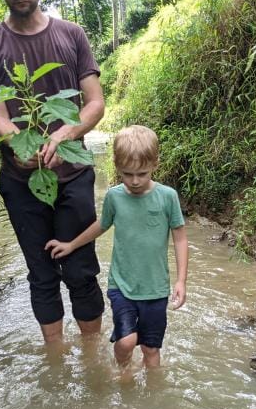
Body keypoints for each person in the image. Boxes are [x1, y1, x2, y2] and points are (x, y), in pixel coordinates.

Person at [0, 0, 106, 344]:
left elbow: (95, 102)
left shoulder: (72, 34)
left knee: (81, 270)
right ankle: (55, 358)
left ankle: (92, 355)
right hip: (20, 181)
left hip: (74, 175)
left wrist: (66, 133)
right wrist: (21, 144)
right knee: (41, 273)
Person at [45, 125, 189, 368]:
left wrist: (181, 281)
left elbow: (180, 238)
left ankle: (153, 389)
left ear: (155, 164)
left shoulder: (167, 197)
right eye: (127, 174)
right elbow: (101, 225)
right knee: (126, 341)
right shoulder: (114, 196)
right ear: (116, 166)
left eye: (142, 173)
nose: (135, 181)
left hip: (155, 289)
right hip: (121, 286)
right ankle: (123, 370)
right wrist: (71, 245)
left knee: (151, 349)